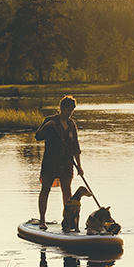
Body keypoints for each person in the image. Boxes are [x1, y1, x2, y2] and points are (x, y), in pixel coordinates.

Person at [35, 96, 83, 229]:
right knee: (45, 190)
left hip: (66, 162)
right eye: (68, 110)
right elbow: (38, 136)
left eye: (72, 110)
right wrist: (46, 126)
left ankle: (67, 220)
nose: (70, 113)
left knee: (67, 191)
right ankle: (42, 221)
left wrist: (79, 166)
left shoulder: (72, 125)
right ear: (61, 108)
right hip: (50, 161)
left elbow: (76, 147)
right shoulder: (50, 121)